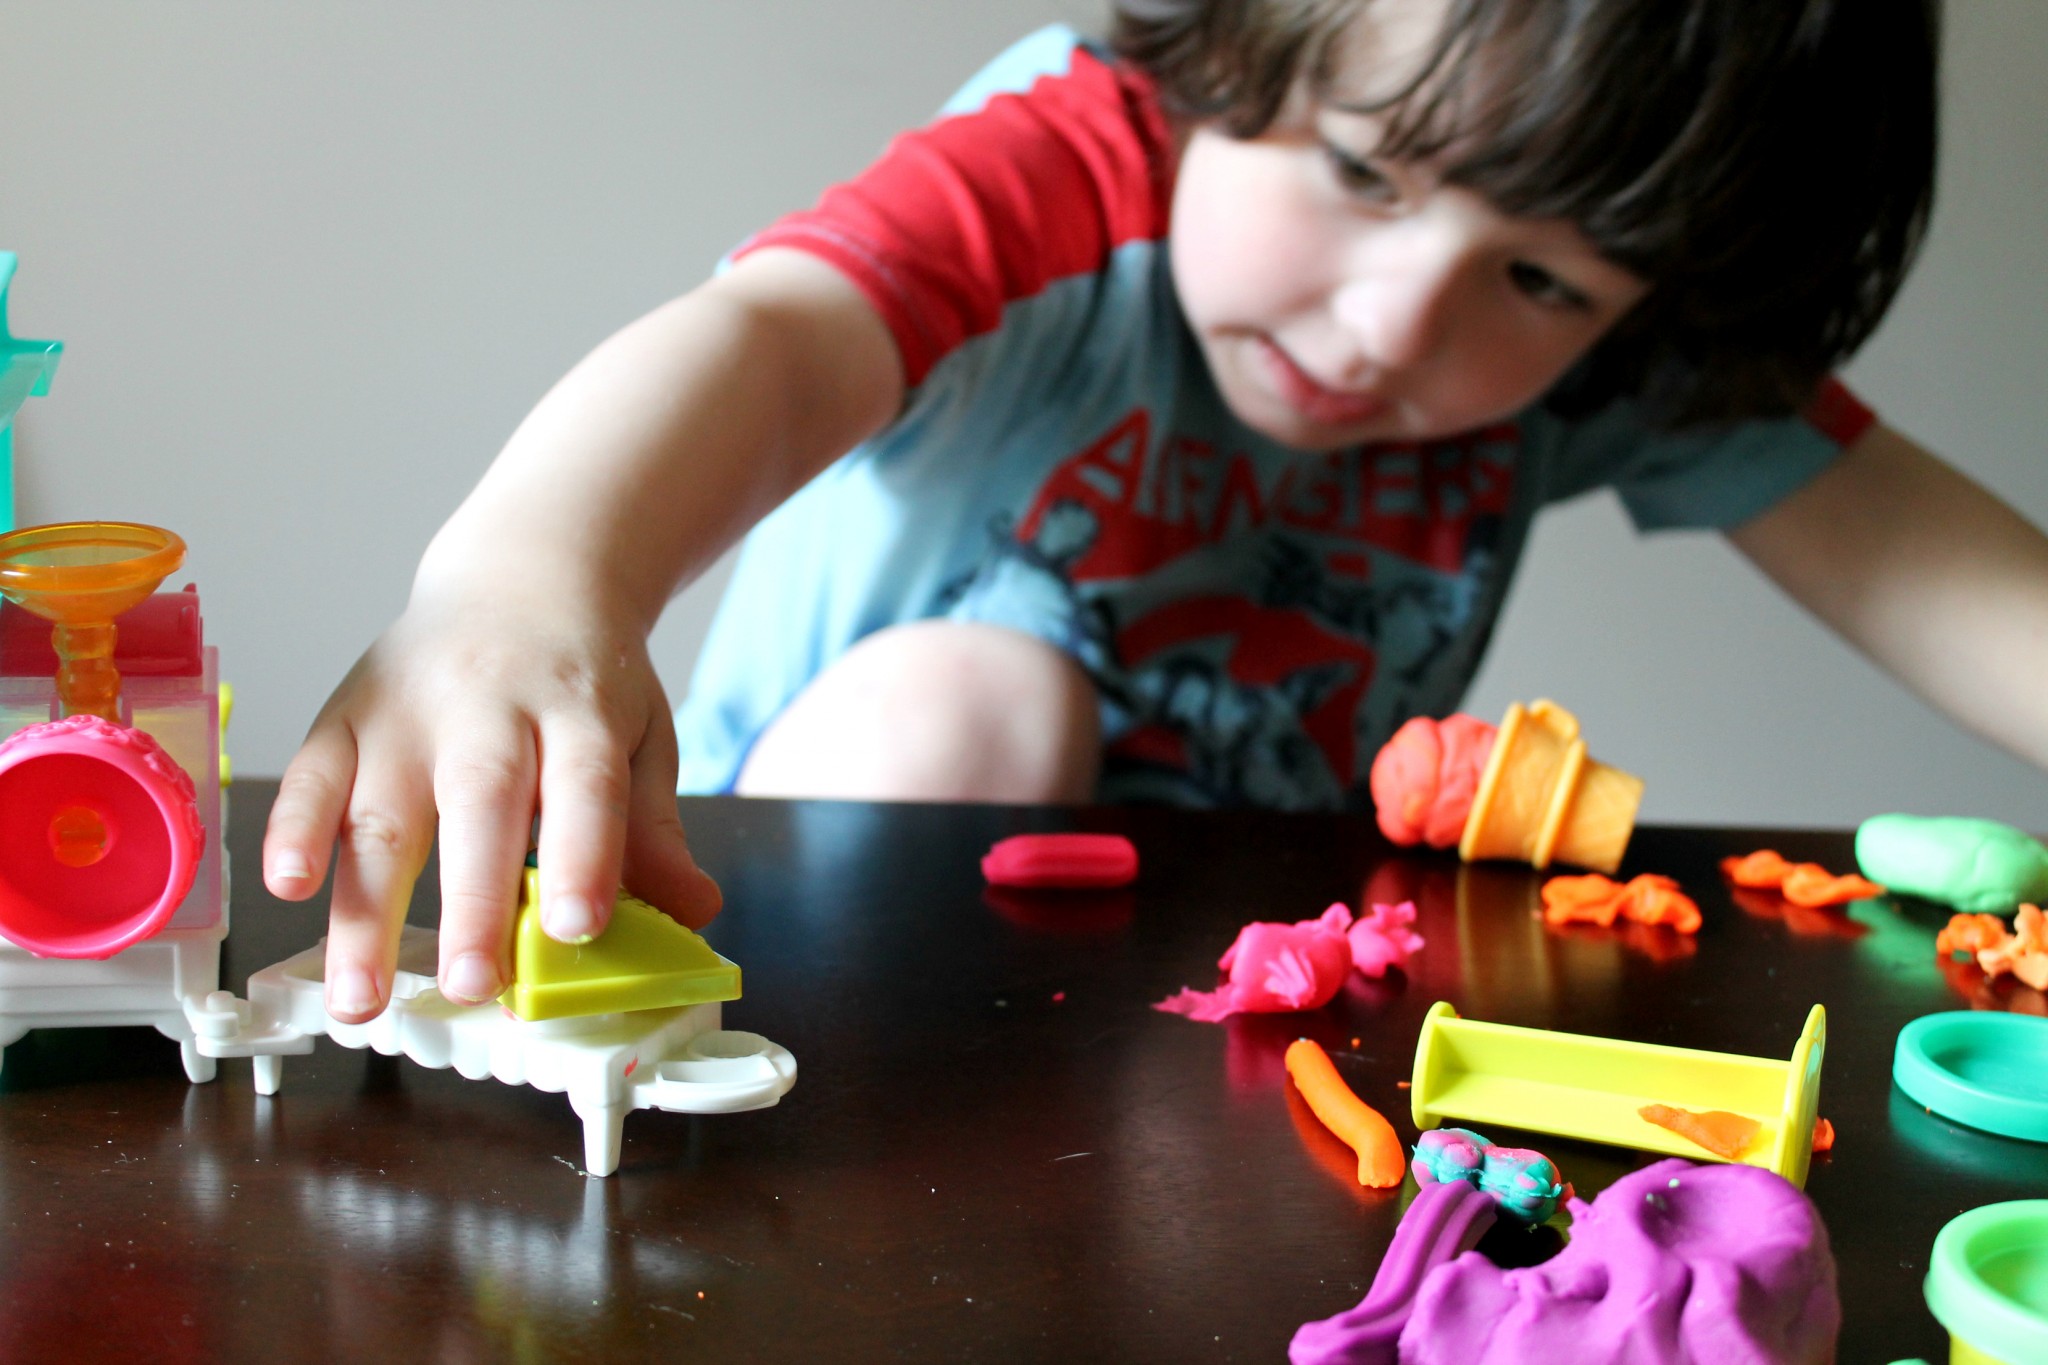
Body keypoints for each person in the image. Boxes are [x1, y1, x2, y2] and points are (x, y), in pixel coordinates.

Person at [264, 0, 2041, 1026]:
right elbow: (775, 348)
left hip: (1190, 990)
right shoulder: (1077, 164)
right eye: (1359, 174)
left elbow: (1898, 539)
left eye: (1540, 283)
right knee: (982, 698)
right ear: (1234, 40)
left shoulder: (1605, 348)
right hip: (818, 941)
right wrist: (525, 574)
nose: (1391, 327)